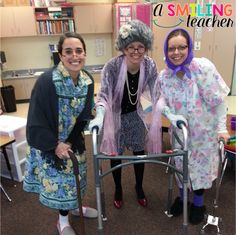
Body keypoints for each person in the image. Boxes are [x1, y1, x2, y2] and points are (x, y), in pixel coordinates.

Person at [23, 32, 98, 235]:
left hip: (74, 142)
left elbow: (85, 115)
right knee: (62, 185)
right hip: (51, 145)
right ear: (61, 55)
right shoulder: (47, 81)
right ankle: (62, 221)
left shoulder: (87, 80)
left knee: (76, 178)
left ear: (84, 53)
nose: (75, 56)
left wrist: (71, 142)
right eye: (68, 52)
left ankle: (76, 207)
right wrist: (56, 145)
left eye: (79, 51)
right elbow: (35, 120)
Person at [155, 28, 230, 225]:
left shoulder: (203, 67)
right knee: (180, 166)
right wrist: (168, 112)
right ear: (166, 50)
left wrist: (222, 128)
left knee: (200, 170)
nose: (176, 52)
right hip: (180, 133)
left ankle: (198, 203)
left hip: (204, 132)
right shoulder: (164, 76)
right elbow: (159, 101)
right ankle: (182, 198)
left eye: (182, 47)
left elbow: (219, 100)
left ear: (189, 47)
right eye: (172, 48)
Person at [88, 20, 162, 209]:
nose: (136, 51)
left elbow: (156, 93)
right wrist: (99, 114)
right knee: (115, 155)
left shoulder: (150, 65)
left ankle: (139, 187)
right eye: (131, 47)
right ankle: (118, 188)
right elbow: (104, 94)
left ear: (146, 47)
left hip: (135, 115)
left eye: (140, 47)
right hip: (114, 117)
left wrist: (166, 110)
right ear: (123, 47)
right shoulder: (112, 66)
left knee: (139, 154)